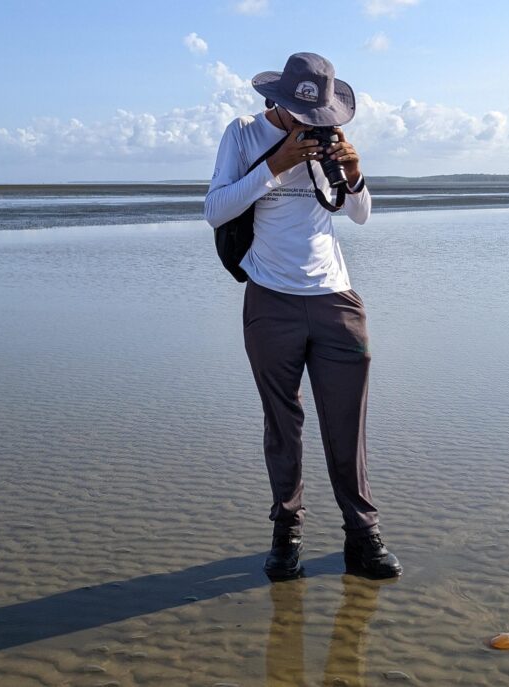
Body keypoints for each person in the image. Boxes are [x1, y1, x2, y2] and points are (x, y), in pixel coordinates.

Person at [203, 52, 401, 580]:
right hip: (271, 300)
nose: (313, 124)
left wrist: (354, 176)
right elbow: (215, 209)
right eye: (301, 113)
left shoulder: (329, 135)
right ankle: (286, 533)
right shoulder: (243, 134)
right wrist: (277, 164)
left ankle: (363, 536)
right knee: (283, 424)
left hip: (337, 298)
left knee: (346, 425)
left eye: (321, 115)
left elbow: (358, 215)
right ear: (279, 102)